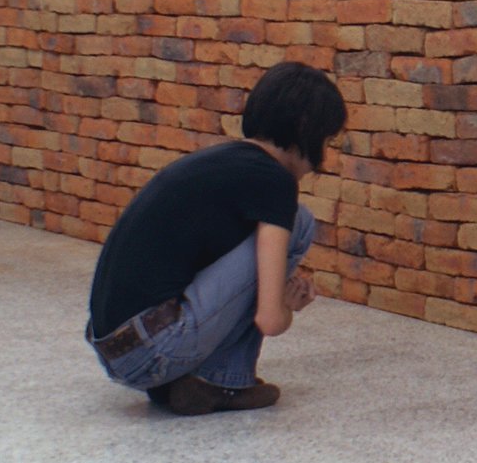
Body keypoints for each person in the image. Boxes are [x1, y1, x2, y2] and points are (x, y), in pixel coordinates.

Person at [84, 60, 347, 415]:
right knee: (300, 222)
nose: (324, 159)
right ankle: (225, 381)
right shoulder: (274, 182)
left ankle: (188, 383)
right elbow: (270, 320)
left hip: (118, 351)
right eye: (327, 141)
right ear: (304, 129)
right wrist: (286, 306)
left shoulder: (224, 164)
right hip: (151, 352)